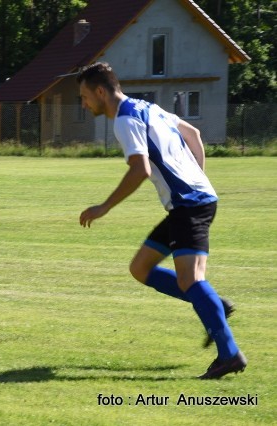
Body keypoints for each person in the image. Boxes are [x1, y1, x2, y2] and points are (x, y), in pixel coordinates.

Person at [76, 62, 245, 379]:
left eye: (84, 97)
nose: (83, 104)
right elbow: (192, 134)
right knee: (140, 268)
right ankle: (214, 307)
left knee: (190, 281)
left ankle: (229, 354)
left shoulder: (125, 120)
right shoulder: (148, 108)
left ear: (101, 92)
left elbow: (140, 170)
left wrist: (104, 207)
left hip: (189, 204)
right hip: (189, 202)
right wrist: (197, 178)